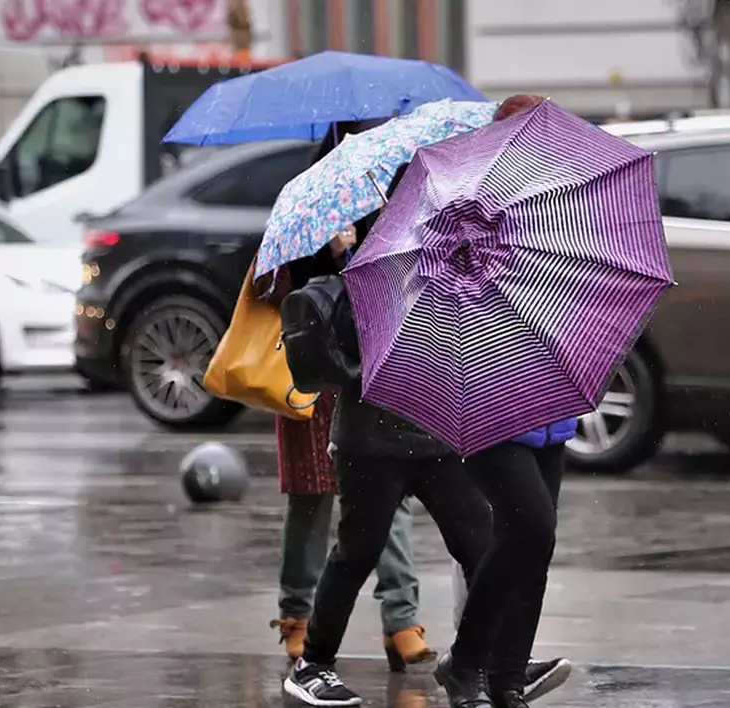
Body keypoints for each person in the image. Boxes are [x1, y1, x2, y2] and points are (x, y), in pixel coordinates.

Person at [283, 167, 495, 708]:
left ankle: (484, 658)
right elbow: (359, 347)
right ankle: (313, 666)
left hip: (431, 435)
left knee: (483, 542)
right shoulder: (370, 265)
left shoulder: (444, 258)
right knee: (357, 551)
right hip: (371, 440)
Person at [268, 121, 436, 672]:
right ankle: (298, 619)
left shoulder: (400, 196)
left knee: (390, 502)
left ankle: (402, 621)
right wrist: (335, 251)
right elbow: (291, 289)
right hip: (316, 374)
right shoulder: (309, 200)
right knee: (314, 500)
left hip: (377, 375)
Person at [434, 94, 578, 708]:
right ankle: (466, 662)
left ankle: (507, 677)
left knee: (534, 543)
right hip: (489, 396)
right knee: (531, 525)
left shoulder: (561, 207)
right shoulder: (465, 211)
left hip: (548, 404)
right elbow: (442, 301)